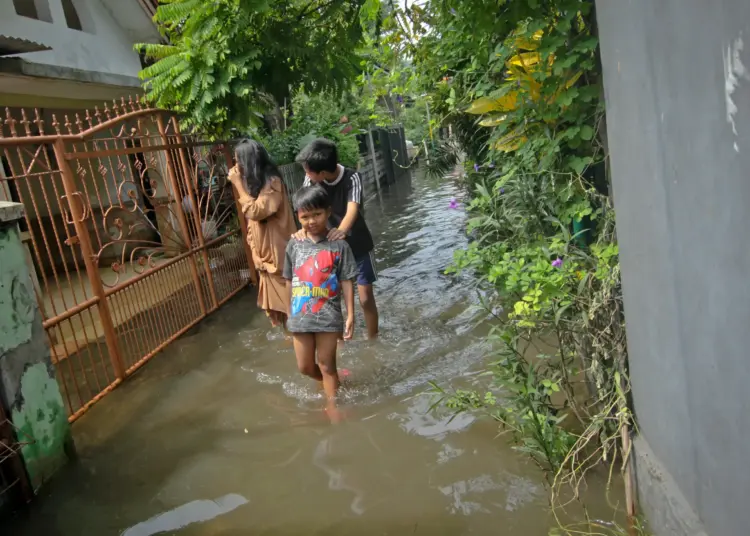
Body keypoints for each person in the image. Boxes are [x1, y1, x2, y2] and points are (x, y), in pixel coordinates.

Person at [283, 185, 358, 420]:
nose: (311, 221)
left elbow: (346, 280)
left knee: (327, 365)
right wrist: (288, 314)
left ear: (328, 212)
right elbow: (288, 280)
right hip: (300, 316)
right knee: (305, 367)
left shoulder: (339, 245)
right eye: (305, 217)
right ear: (298, 216)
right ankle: (331, 383)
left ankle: (333, 405)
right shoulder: (294, 244)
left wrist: (350, 315)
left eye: (317, 215)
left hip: (328, 315)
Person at [294, 138, 379, 339]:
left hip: (358, 245)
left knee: (365, 297)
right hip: (328, 249)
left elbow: (353, 209)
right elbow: (305, 208)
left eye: (308, 170)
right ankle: (338, 341)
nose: (306, 174)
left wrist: (340, 231)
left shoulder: (352, 178)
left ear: (322, 173)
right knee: (332, 297)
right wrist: (303, 231)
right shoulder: (311, 181)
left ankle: (374, 338)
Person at [228, 139, 297, 328]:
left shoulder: (272, 183)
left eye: (238, 161)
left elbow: (256, 211)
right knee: (279, 314)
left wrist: (237, 185)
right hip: (265, 260)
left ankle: (303, 347)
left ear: (249, 162)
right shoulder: (254, 187)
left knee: (293, 310)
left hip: (281, 258)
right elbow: (251, 228)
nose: (235, 167)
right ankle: (292, 345)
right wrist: (254, 254)